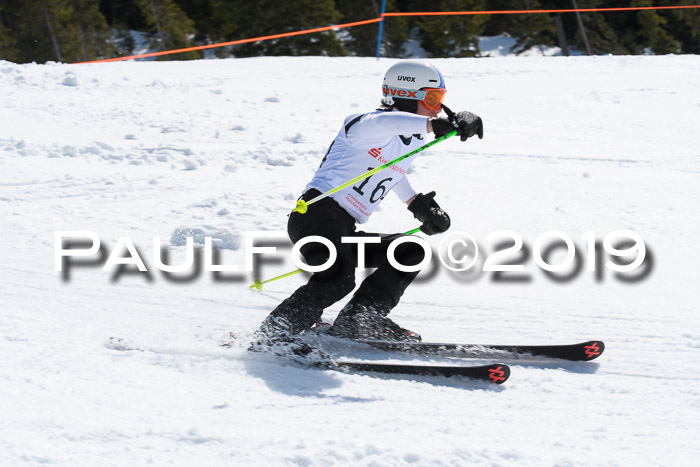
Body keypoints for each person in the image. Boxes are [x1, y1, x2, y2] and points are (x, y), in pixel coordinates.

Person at [256, 61, 483, 346]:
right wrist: (433, 124)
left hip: (343, 228)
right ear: (406, 95)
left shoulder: (407, 139)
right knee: (338, 279)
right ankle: (273, 333)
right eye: (433, 99)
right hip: (316, 216)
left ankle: (361, 317)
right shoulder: (364, 124)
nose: (438, 107)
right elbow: (384, 122)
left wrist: (419, 206)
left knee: (410, 250)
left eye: (441, 99)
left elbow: (392, 171)